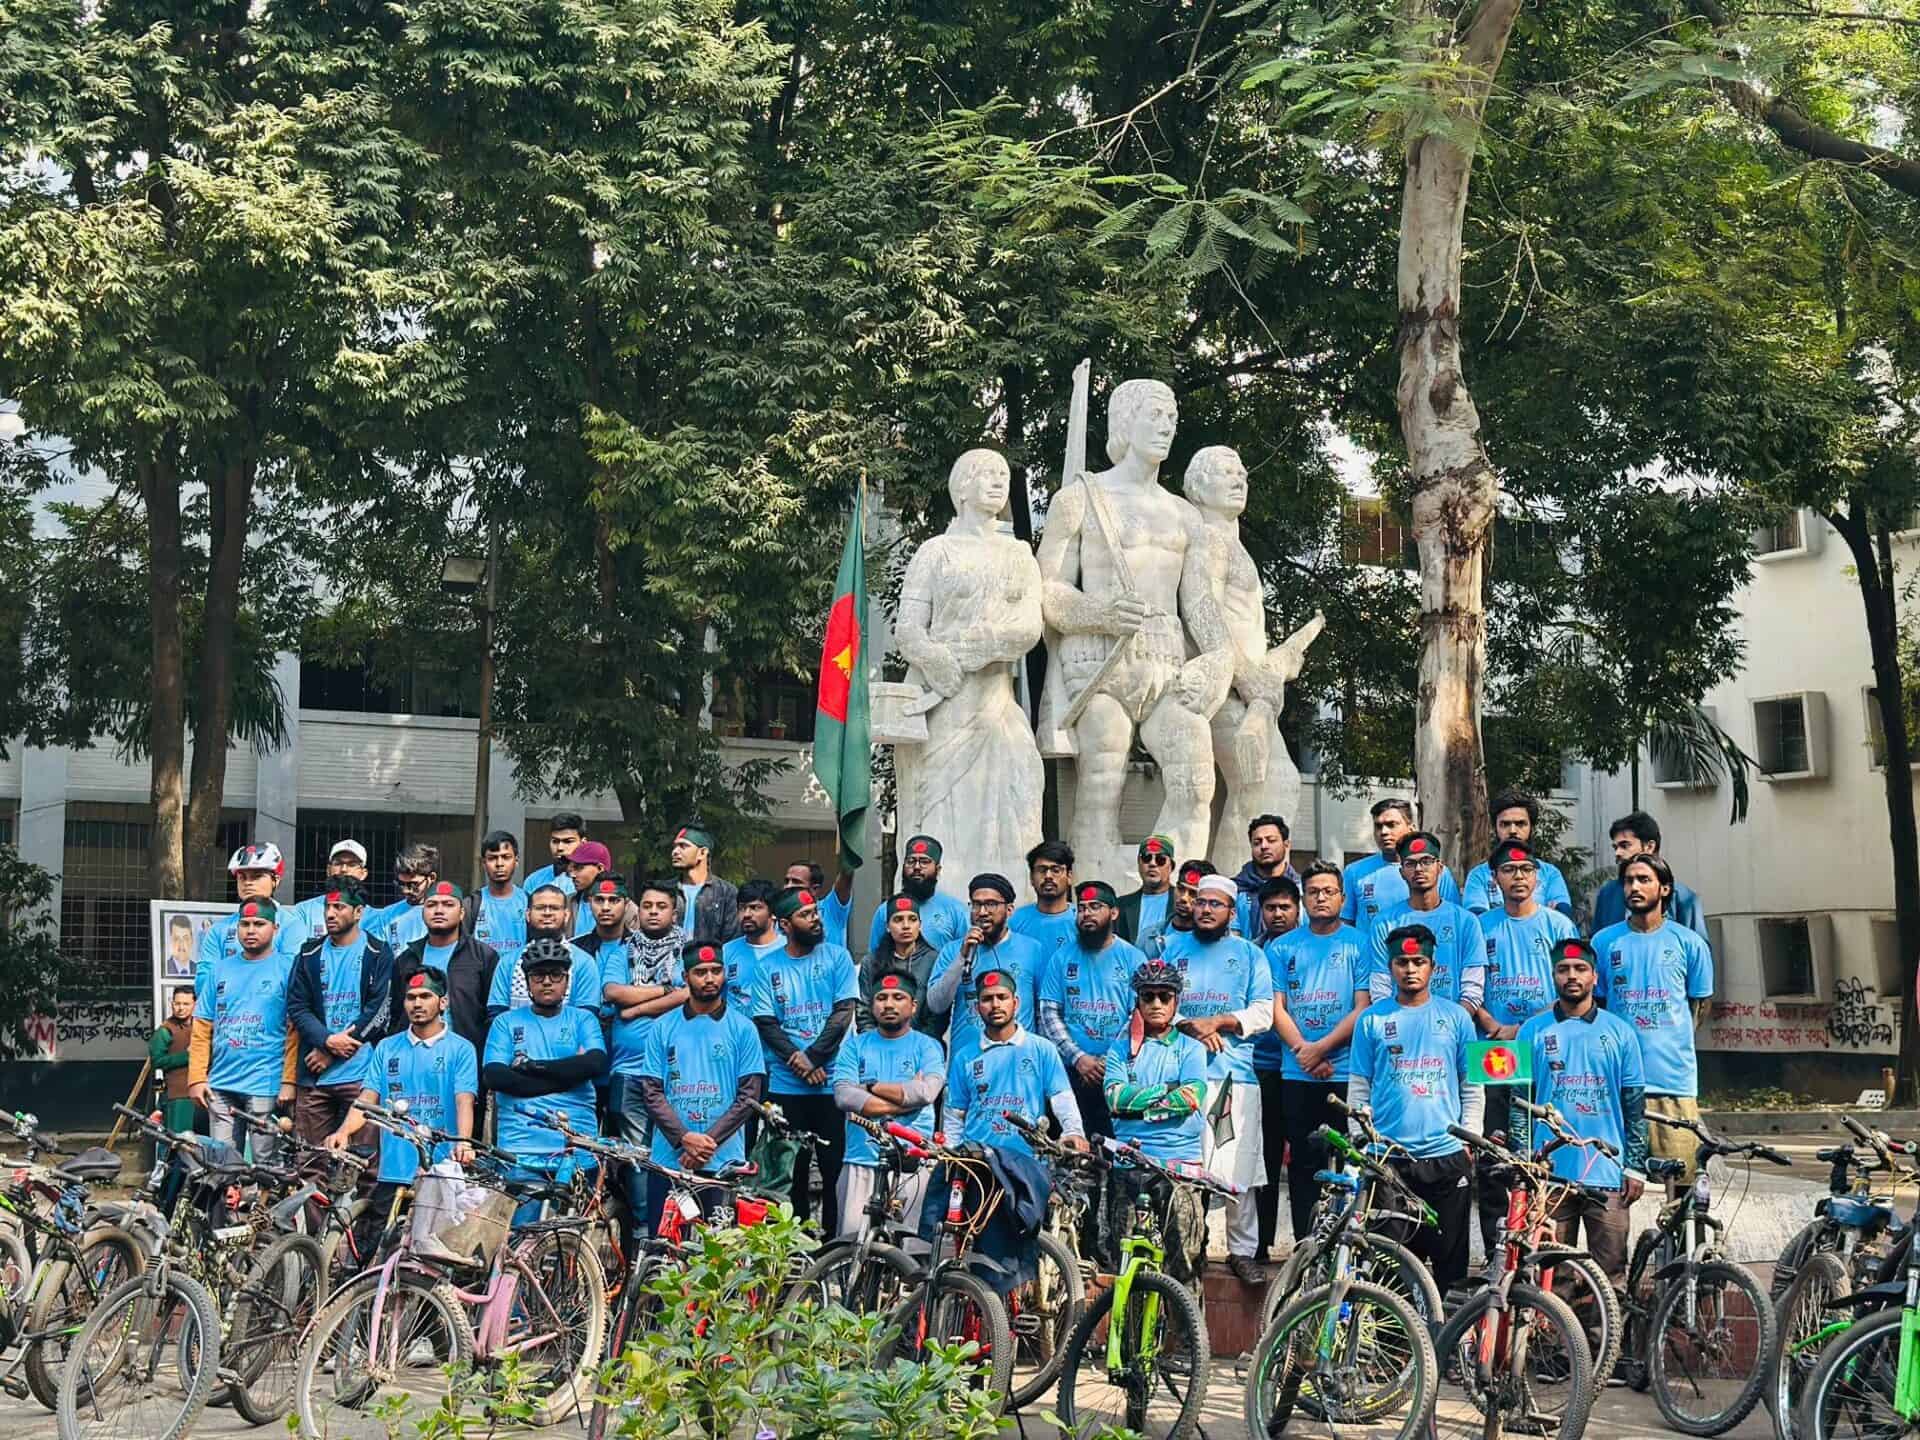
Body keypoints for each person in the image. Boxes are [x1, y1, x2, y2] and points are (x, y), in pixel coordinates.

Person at [1347, 924, 1482, 1293]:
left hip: (1446, 1156)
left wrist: (1470, 1136)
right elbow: (1359, 1086)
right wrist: (1361, 1141)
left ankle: (1448, 1346)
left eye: (1418, 961)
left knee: (1450, 1264)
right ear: (1390, 967)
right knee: (1389, 1266)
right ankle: (1394, 1344)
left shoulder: (1457, 1017)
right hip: (1389, 1158)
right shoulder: (1372, 1019)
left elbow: (1472, 1083)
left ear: (1433, 967)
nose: (1410, 969)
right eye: (1402, 962)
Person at [1161, 872, 1275, 1284]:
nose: (1205, 910)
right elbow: (1150, 1006)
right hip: (1179, 1077)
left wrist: (1221, 1021)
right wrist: (1194, 1026)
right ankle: (1190, 1249)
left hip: (1234, 1078)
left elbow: (1263, 1013)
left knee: (1237, 1170)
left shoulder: (1249, 955)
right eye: (1200, 902)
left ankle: (1241, 1252)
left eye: (1215, 904)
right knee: (1183, 1169)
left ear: (1231, 911)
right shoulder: (1171, 950)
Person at [1518, 938, 1649, 1293]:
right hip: (1551, 1177)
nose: (1571, 976)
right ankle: (1560, 1350)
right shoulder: (1532, 1031)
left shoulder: (1621, 1033)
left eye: (1580, 969)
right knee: (1550, 1277)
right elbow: (1520, 1103)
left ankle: (1603, 1348)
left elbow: (1635, 1106)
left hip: (1607, 1174)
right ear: (1553, 975)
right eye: (1563, 969)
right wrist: (1524, 1165)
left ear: (1594, 976)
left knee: (1608, 1278)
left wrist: (1634, 1166)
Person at [326, 967, 478, 1261]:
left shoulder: (461, 1049)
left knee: (431, 1259)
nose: (417, 1004)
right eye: (411, 997)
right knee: (375, 1252)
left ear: (443, 1002)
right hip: (393, 1170)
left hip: (440, 1172)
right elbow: (368, 1099)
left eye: (425, 996)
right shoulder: (387, 1048)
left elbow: (464, 1100)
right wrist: (344, 1132)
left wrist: (465, 1142)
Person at [1468, 840, 1578, 1246]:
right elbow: (1470, 982)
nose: (1519, 877)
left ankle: (1539, 1242)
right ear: (1495, 879)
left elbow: (1573, 983)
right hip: (1493, 1046)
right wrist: (1490, 1022)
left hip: (1545, 1045)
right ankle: (1498, 1245)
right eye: (1510, 871)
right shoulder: (1480, 927)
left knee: (1543, 1140)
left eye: (1527, 870)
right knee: (1496, 1146)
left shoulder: (1557, 926)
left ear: (1537, 876)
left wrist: (1525, 1028)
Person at [1259, 860, 1370, 1251]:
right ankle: (1307, 1246)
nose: (1321, 898)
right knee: (1304, 1166)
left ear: (1342, 896)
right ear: (1303, 899)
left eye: (1328, 891)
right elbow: (1276, 1008)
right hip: (1297, 1074)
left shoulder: (1360, 942)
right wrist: (1303, 1051)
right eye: (1313, 892)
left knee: (1351, 1162)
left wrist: (1320, 1050)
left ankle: (1348, 1246)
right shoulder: (1281, 947)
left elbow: (1363, 1007)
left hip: (1346, 1074)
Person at [1593, 853, 1713, 1180]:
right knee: (1614, 1186)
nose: (1634, 886)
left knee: (1682, 1184)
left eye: (1644, 879)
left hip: (1673, 1083)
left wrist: (1672, 1042)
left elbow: (1699, 1006)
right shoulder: (1603, 943)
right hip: (1617, 1083)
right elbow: (1597, 1008)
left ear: (1664, 888)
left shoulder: (1689, 944)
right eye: (1629, 880)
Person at [752, 887, 859, 1235]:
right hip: (786, 1087)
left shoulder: (837, 957)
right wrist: (798, 1063)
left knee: (832, 1172)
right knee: (789, 1175)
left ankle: (831, 1249)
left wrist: (813, 1058)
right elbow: (766, 1022)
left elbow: (843, 1013)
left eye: (815, 912)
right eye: (806, 915)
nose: (815, 919)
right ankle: (790, 1254)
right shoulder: (768, 967)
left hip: (831, 1086)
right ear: (784, 924)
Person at [640, 944, 766, 1229]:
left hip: (722, 1162)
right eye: (700, 972)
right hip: (669, 1160)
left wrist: (705, 1144)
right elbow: (651, 1092)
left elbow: (749, 1096)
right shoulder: (662, 1027)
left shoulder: (743, 1028)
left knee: (718, 1258)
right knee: (663, 1253)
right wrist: (684, 1138)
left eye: (716, 971)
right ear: (685, 977)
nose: (709, 978)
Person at [1102, 958, 1211, 1281]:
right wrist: (1168, 1092)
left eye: (1165, 996)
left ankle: (1189, 1334)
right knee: (1123, 1268)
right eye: (1148, 996)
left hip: (1180, 1169)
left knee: (1184, 1270)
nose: (1156, 1004)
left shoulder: (1192, 1049)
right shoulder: (1119, 1050)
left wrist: (1138, 1105)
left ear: (1177, 1000)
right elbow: (1114, 1098)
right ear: (1137, 1000)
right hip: (1128, 1167)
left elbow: (1191, 1097)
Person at [597, 876, 689, 1227]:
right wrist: (665, 990)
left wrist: (635, 1010)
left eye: (661, 907)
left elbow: (686, 996)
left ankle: (671, 1230)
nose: (653, 912)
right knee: (634, 1158)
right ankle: (642, 1230)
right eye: (647, 906)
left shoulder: (686, 952)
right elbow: (613, 992)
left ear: (674, 913)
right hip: (628, 1071)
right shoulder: (623, 951)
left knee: (670, 1152)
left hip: (673, 1072)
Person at [831, 967, 946, 1237]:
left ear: (913, 1005)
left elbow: (927, 1093)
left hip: (911, 1164)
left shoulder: (928, 1047)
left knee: (908, 1254)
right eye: (882, 998)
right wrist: (906, 1101)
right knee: (851, 1248)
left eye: (898, 997)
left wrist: (870, 1087)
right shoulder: (855, 1046)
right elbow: (844, 1096)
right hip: (861, 1159)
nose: (889, 1004)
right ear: (871, 1005)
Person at [483, 940, 607, 1186]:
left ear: (567, 982)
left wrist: (532, 1067)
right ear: (527, 982)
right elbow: (495, 1076)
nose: (547, 981)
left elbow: (594, 1063)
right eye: (538, 975)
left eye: (556, 975)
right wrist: (568, 1076)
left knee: (573, 1223)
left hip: (576, 1145)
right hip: (519, 1146)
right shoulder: (505, 1022)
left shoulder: (583, 1019)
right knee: (521, 1223)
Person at [189, 898, 298, 1163]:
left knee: (265, 1163)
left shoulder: (288, 968)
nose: (250, 930)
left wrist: (289, 1080)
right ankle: (226, 1207)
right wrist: (196, 1078)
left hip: (266, 1082)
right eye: (244, 924)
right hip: (221, 1084)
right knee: (221, 1162)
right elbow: (202, 1026)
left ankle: (261, 1206)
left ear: (275, 928)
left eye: (259, 924)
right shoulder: (220, 969)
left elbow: (296, 1030)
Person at [287, 882, 394, 1148]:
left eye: (339, 907)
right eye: (327, 907)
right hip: (314, 1074)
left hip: (361, 1075)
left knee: (363, 1160)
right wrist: (326, 1040)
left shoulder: (378, 952)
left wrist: (332, 1050)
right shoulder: (308, 952)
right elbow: (297, 1006)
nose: (330, 914)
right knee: (310, 1160)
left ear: (358, 912)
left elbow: (380, 1009)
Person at [1038, 880, 1146, 1140]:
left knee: (1116, 1149)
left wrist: (1108, 1062)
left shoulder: (1133, 958)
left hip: (1120, 1072)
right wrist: (1079, 1058)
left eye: (1095, 907)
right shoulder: (1062, 957)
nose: (1087, 914)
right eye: (1082, 908)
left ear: (1114, 913)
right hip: (1071, 1071)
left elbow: (1139, 1016)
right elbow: (1049, 1013)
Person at [946, 968, 1087, 1159]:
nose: (995, 1004)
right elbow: (955, 1114)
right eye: (987, 999)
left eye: (1002, 997)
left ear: (1015, 1003)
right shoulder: (964, 1057)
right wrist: (951, 1155)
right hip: (977, 1161)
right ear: (977, 1007)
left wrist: (1074, 1131)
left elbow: (1061, 1097)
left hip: (1028, 1160)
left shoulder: (1042, 1049)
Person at [925, 873, 1046, 1060]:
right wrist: (962, 957)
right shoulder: (953, 951)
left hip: (1019, 1062)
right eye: (976, 904)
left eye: (991, 904)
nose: (982, 912)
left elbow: (1043, 1011)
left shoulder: (1033, 949)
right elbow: (936, 1004)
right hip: (969, 1063)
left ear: (1009, 909)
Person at [1365, 832, 1486, 1008]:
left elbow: (1473, 988)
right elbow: (1380, 986)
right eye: (1411, 863)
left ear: (1440, 867)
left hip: (1452, 1026)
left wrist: (1453, 1025)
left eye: (1427, 861)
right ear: (1402, 872)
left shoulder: (1466, 921)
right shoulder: (1384, 923)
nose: (1419, 869)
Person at [393, 883, 500, 1055]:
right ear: (422, 912)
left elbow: (493, 1014)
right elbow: (396, 1013)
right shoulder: (406, 960)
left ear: (462, 913)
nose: (439, 910)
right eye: (431, 904)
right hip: (412, 1057)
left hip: (467, 1058)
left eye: (448, 905)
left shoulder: (484, 957)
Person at [195, 842, 303, 1005]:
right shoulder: (218, 930)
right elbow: (204, 983)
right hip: (227, 1020)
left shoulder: (292, 926)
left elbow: (292, 977)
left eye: (257, 876)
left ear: (276, 880)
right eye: (242, 877)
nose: (248, 883)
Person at [1341, 800, 1460, 929]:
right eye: (1378, 826)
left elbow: (1452, 920)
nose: (1384, 832)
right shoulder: (1355, 872)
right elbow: (1346, 923)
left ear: (1411, 829)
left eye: (1391, 825)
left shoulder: (1437, 872)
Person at [486, 881, 599, 1017]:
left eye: (554, 908)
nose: (547, 913)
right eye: (540, 908)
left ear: (566, 915)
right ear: (528, 915)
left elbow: (587, 1018)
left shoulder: (584, 962)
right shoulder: (508, 962)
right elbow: (496, 1014)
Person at [1592, 812, 1710, 938]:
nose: (1618, 853)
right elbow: (1596, 948)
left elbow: (1698, 950)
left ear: (1649, 846)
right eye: (1615, 847)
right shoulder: (1608, 894)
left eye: (1625, 845)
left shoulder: (1682, 897)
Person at [1461, 791, 1574, 918]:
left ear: (1532, 828)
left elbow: (1562, 919)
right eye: (1505, 824)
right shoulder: (1479, 876)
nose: (1513, 831)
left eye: (1520, 824)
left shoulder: (1550, 874)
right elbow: (1477, 923)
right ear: (1495, 828)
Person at [866, 835, 971, 955]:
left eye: (924, 862)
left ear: (938, 869)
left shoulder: (956, 910)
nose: (916, 867)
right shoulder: (885, 910)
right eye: (911, 861)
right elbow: (874, 958)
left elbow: (967, 956)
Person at [857, 894, 943, 1038]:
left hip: (923, 1047)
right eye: (898, 919)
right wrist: (874, 1045)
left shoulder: (934, 960)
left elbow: (937, 1014)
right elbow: (864, 1012)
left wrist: (920, 1044)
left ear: (920, 925)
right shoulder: (871, 962)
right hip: (878, 1046)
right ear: (888, 927)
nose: (906, 926)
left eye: (912, 919)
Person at [286, 839, 373, 945]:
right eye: (338, 863)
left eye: (352, 864)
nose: (344, 869)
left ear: (363, 873)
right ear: (328, 870)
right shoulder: (304, 911)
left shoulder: (375, 917)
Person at [468, 830, 529, 971]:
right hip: (482, 979)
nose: (499, 864)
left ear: (516, 861)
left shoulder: (529, 902)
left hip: (519, 979)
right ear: (483, 863)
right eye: (492, 858)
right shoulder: (472, 904)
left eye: (506, 857)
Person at [671, 825, 740, 948]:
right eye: (675, 846)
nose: (675, 852)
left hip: (709, 964)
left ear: (702, 853)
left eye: (683, 846)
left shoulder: (726, 892)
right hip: (670, 964)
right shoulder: (667, 890)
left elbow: (732, 941)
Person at [1233, 814, 1301, 941]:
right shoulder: (1236, 890)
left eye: (1271, 840)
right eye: (1257, 842)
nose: (1264, 846)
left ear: (1286, 845)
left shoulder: (1303, 889)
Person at [722, 879, 784, 1009]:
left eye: (755, 908)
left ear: (773, 913)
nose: (746, 914)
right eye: (742, 908)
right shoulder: (727, 951)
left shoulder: (789, 948)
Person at [1010, 840, 1077, 956]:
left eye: (1056, 870)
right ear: (1031, 878)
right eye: (1042, 870)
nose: (1048, 876)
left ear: (1069, 876)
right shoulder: (1014, 921)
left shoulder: (1082, 919)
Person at [366, 845, 439, 949]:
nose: (405, 890)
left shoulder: (445, 915)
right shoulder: (387, 915)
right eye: (401, 883)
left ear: (431, 878)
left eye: (413, 884)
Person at [1141, 858, 1215, 960]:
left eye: (1193, 893)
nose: (1184, 898)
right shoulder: (1149, 936)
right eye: (1180, 889)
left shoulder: (1213, 943)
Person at [149, 988, 196, 1134]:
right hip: (178, 1096)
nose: (181, 1008)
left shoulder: (202, 1027)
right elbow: (157, 1061)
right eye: (177, 1003)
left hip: (204, 1093)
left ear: (195, 1004)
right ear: (171, 1004)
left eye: (186, 1004)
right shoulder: (165, 1030)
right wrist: (187, 1055)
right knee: (178, 1141)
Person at [1115, 835, 1176, 947]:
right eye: (1146, 858)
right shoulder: (1122, 905)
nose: (1152, 864)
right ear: (1139, 862)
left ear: (1171, 866)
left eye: (1160, 859)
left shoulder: (1182, 903)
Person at [786, 861, 854, 951]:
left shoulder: (830, 909)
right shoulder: (781, 919)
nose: (788, 886)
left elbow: (847, 873)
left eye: (796, 882)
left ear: (815, 889)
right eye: (786, 881)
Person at [565, 841, 619, 938]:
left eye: (579, 868)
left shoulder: (626, 908)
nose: (572, 875)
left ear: (600, 868)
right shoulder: (567, 902)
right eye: (572, 869)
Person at [524, 813, 585, 895]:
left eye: (568, 841)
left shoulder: (591, 878)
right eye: (555, 841)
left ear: (583, 844)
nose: (560, 848)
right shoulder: (533, 880)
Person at [1257, 875, 1301, 944]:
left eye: (1284, 908)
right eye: (1271, 908)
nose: (1277, 914)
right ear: (1261, 910)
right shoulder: (1252, 951)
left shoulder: (1312, 947)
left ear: (1298, 909)